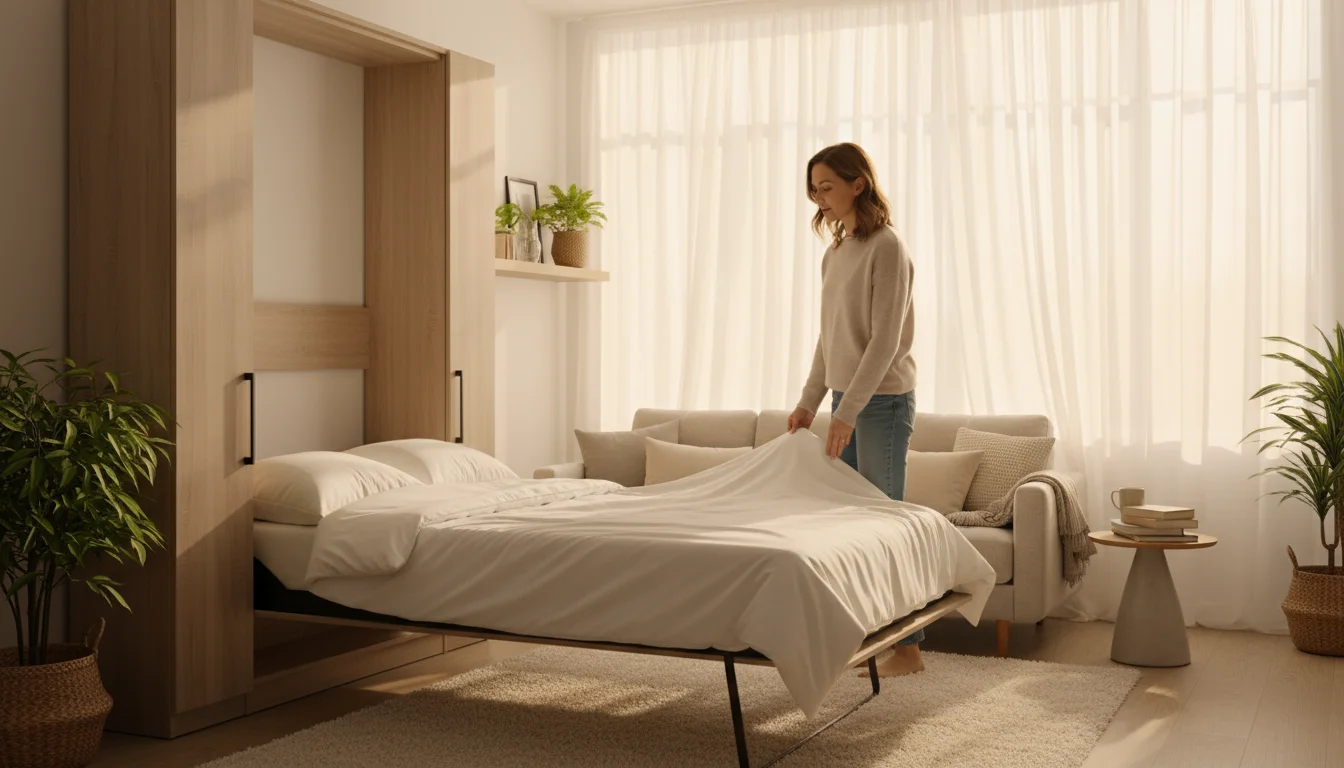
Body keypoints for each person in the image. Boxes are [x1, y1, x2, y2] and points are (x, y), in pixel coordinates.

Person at [786, 142, 923, 677]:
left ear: (857, 184)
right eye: (813, 190)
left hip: (883, 401)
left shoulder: (887, 247)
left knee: (884, 525)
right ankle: (867, 637)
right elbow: (830, 339)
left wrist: (847, 413)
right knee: (847, 528)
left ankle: (909, 648)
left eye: (826, 187)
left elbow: (884, 341)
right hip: (848, 400)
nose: (818, 199)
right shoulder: (835, 251)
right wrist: (809, 403)